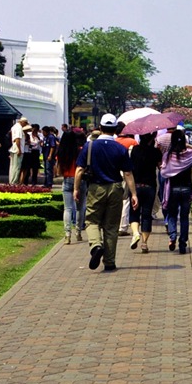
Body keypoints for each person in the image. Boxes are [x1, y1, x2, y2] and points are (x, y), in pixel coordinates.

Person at [74, 114, 138, 273]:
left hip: (96, 187)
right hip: (115, 187)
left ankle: (96, 246)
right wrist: (134, 194)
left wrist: (76, 189)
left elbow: (80, 170)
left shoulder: (90, 147)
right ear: (115, 129)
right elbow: (128, 173)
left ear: (100, 128)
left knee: (92, 220)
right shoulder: (120, 148)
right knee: (111, 226)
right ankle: (109, 262)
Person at [159, 128, 192, 254]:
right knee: (184, 218)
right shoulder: (190, 155)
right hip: (187, 189)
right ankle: (182, 243)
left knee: (172, 215)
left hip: (172, 190)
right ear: (184, 141)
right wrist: (188, 145)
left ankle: (172, 236)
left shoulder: (167, 156)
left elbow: (163, 172)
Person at [129, 133, 163, 252]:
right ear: (151, 139)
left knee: (134, 212)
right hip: (150, 186)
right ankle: (144, 243)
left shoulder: (135, 150)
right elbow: (161, 167)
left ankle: (135, 233)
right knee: (146, 215)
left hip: (135, 186)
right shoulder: (155, 152)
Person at [57, 128, 85, 243]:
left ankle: (67, 234)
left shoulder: (61, 152)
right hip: (80, 179)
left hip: (67, 179)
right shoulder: (80, 151)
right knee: (80, 208)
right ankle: (78, 232)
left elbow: (58, 171)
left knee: (67, 208)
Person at [9, 117, 28, 184]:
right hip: (17, 149)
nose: (25, 125)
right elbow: (17, 139)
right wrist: (19, 149)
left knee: (12, 166)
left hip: (14, 148)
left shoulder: (14, 127)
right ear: (22, 122)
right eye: (25, 123)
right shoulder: (19, 128)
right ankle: (14, 182)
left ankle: (12, 181)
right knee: (17, 167)